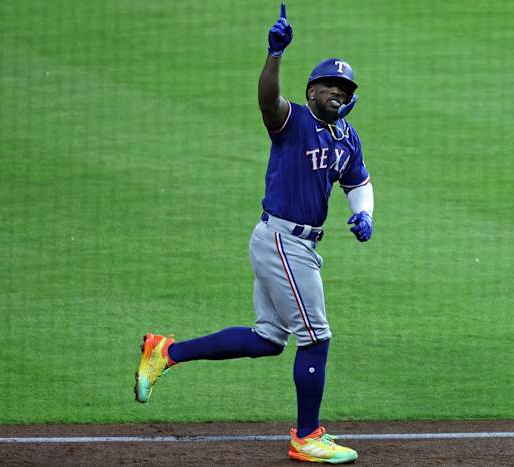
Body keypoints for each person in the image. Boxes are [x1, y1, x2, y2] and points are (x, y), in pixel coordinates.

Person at [134, 3, 373, 463]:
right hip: (282, 240)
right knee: (316, 337)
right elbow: (268, 100)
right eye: (328, 86)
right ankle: (307, 436)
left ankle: (166, 351)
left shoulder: (348, 138)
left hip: (298, 244)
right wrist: (275, 53)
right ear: (311, 90)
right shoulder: (293, 121)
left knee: (267, 339)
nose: (336, 93)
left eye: (343, 88)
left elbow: (358, 181)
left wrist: (365, 215)